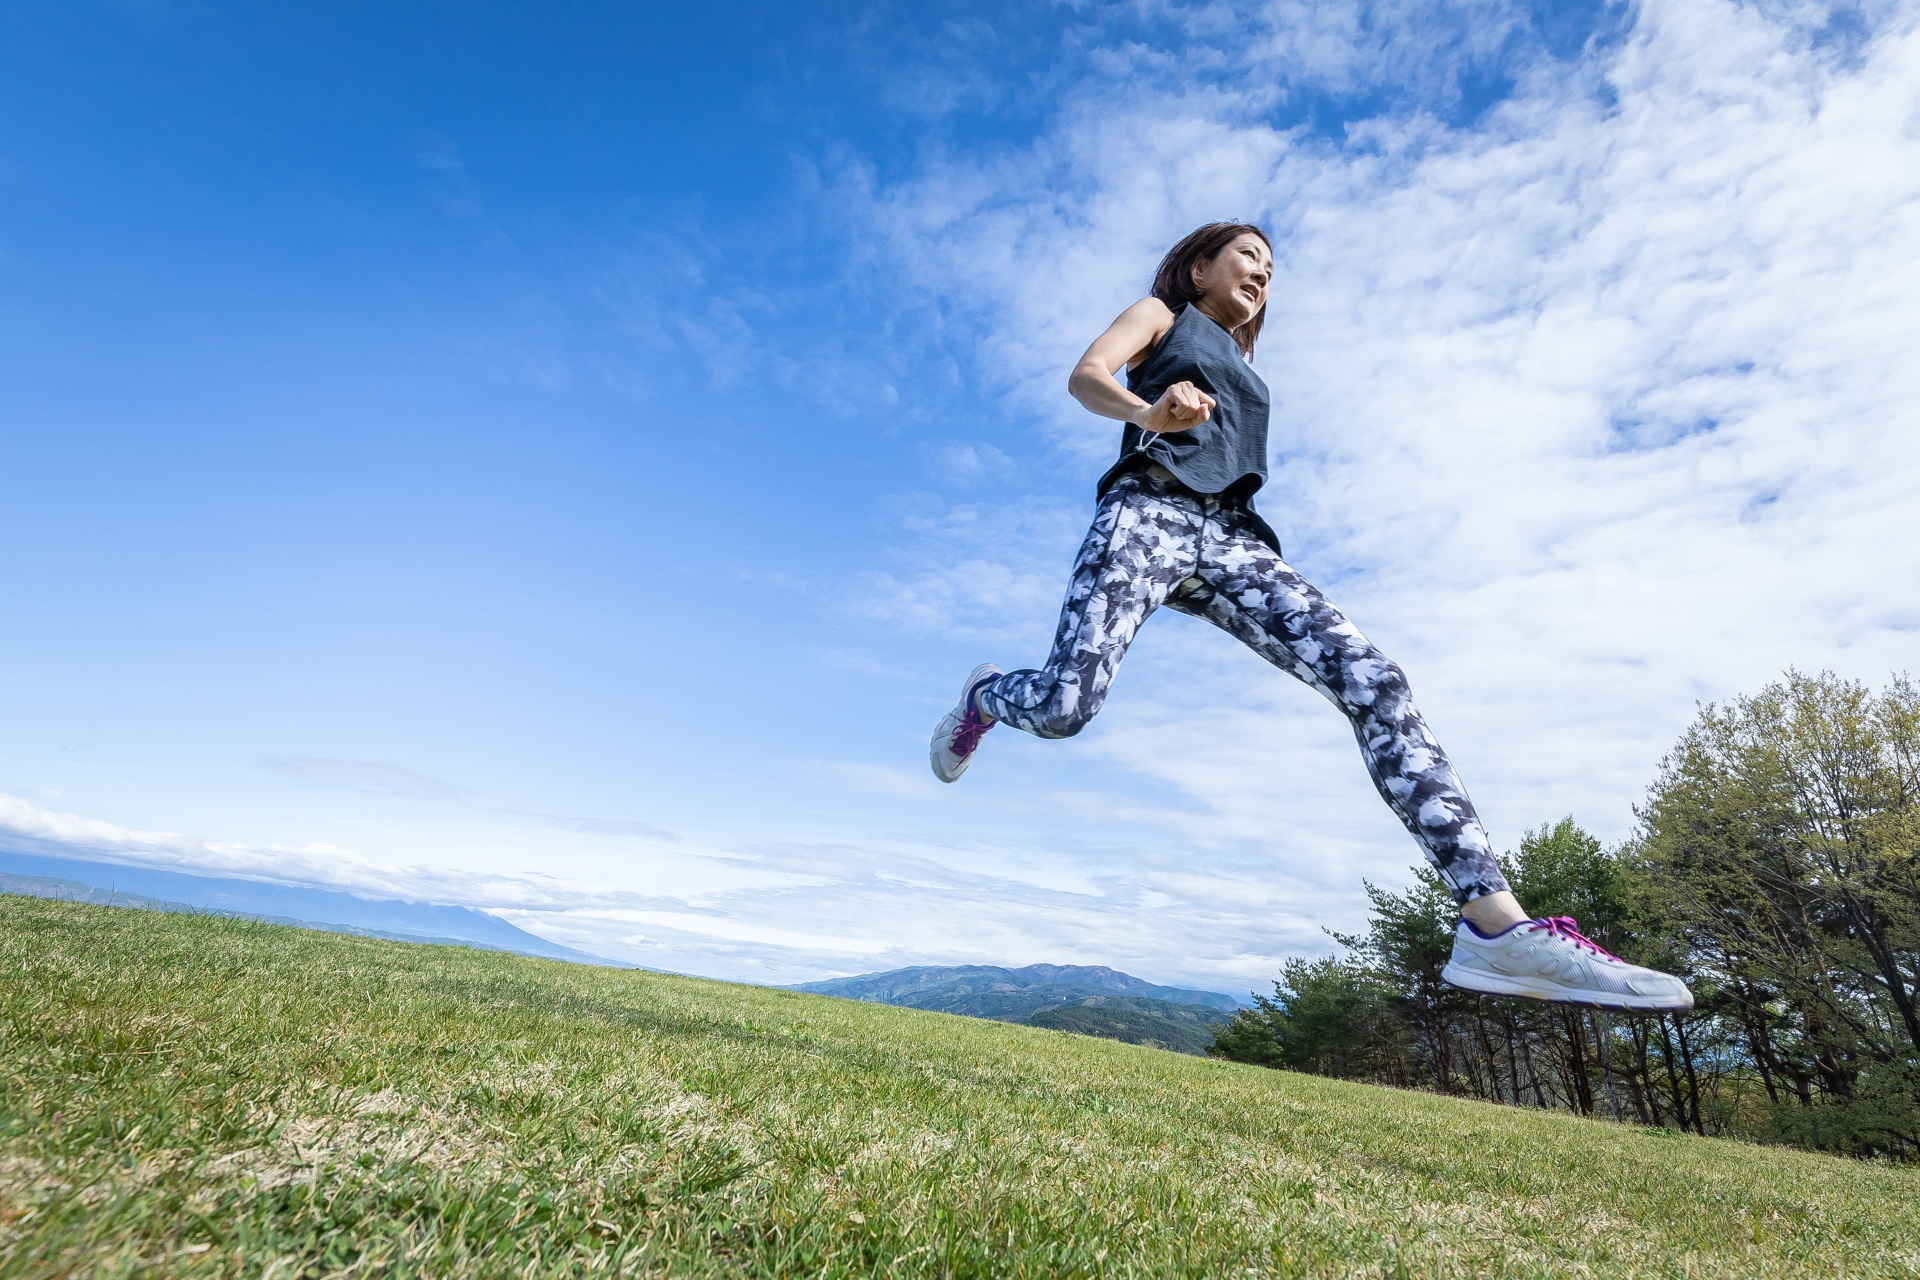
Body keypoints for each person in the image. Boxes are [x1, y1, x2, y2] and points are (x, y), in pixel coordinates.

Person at [928, 221, 1691, 1013]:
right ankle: (986, 697)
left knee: (1375, 681)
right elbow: (1086, 377)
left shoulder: (1244, 367)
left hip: (1230, 541)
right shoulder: (1163, 317)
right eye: (1248, 257)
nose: (1263, 273)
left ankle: (1495, 925)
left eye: (1272, 267)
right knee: (1064, 707)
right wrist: (1150, 412)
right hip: (1147, 513)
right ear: (1199, 268)